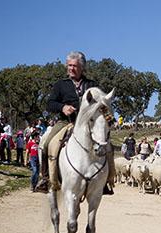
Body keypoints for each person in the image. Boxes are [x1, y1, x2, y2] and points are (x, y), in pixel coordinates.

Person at [34, 51, 115, 195]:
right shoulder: (61, 85)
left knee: (107, 146)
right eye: (69, 65)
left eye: (75, 66)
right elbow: (50, 104)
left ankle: (106, 181)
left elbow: (101, 105)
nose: (71, 68)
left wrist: (109, 119)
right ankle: (45, 179)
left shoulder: (92, 85)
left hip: (87, 125)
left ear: (82, 68)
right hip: (65, 123)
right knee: (48, 144)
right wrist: (62, 107)